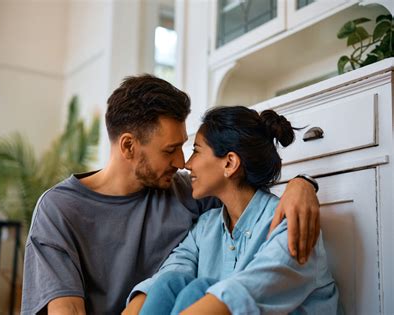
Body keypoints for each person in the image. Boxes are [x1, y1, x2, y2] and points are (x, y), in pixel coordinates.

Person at [21, 74, 320, 315]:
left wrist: (303, 184)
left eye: (187, 147)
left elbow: (251, 198)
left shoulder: (189, 191)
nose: (182, 162)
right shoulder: (58, 209)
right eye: (170, 150)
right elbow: (67, 308)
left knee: (191, 288)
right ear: (128, 146)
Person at [124, 106, 339, 315]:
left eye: (196, 151)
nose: (186, 164)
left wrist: (303, 183)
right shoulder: (207, 225)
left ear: (229, 163)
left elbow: (244, 293)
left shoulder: (289, 220)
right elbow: (171, 273)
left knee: (199, 292)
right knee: (172, 282)